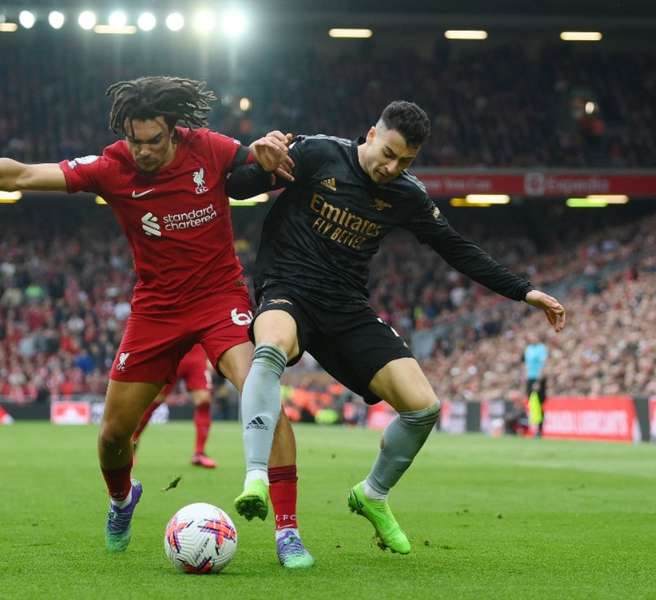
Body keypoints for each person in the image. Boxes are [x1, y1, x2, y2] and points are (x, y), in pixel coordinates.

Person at [0, 76, 314, 568]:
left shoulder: (210, 149)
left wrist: (270, 146)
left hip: (220, 298)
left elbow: (263, 160)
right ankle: (121, 500)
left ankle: (288, 534)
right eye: (135, 140)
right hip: (156, 309)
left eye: (153, 141)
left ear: (174, 132)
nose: (144, 151)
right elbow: (20, 176)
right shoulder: (114, 166)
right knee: (113, 435)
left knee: (260, 390)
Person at [226, 100, 567, 555]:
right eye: (388, 153)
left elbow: (457, 249)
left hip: (346, 309)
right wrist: (257, 159)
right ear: (370, 134)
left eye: (405, 161)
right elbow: (238, 185)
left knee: (423, 407)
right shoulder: (317, 153)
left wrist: (524, 291)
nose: (392, 167)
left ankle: (373, 494)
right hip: (287, 289)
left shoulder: (407, 194)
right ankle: (255, 479)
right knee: (269, 349)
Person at [132, 344, 217, 468]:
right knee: (154, 401)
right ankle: (131, 446)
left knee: (204, 400)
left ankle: (199, 453)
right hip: (173, 352)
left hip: (197, 355)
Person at [524, 333, 549, 438]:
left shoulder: (541, 348)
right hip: (530, 378)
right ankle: (534, 427)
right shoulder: (528, 349)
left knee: (539, 404)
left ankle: (539, 429)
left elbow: (543, 365)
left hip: (537, 378)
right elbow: (526, 365)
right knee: (532, 404)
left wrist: (538, 381)